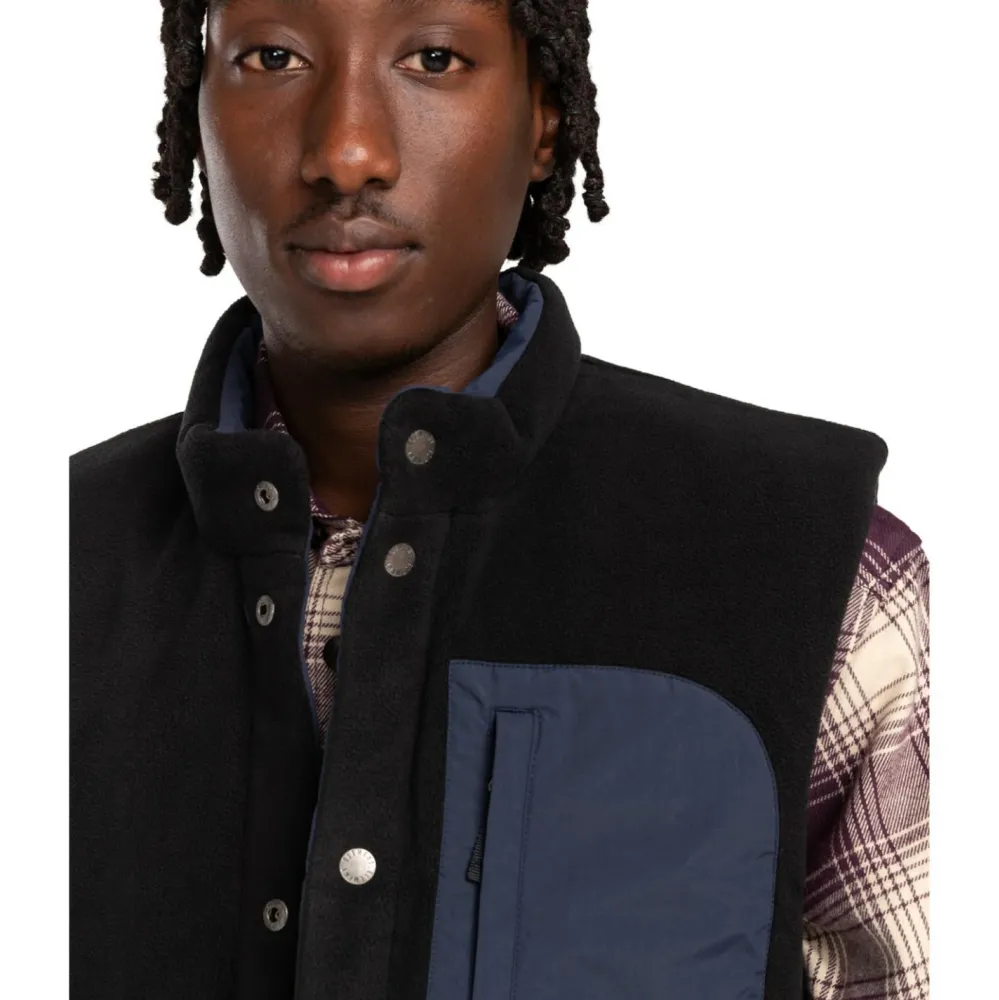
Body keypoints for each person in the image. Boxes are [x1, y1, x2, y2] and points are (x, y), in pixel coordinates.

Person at [69, 1, 930, 997]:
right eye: (272, 56)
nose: (346, 153)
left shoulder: (824, 580)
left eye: (434, 58)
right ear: (194, 105)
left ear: (543, 120)